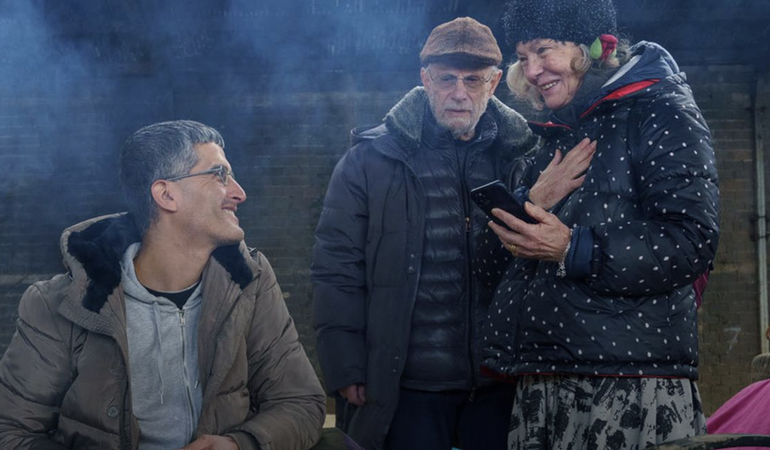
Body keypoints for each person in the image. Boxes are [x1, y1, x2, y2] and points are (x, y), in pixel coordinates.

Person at [311, 16, 596, 450]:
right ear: (425, 79)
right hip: (408, 386)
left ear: (494, 82)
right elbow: (336, 267)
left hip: (503, 381)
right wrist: (345, 364)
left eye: (473, 80)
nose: (459, 93)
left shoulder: (528, 155)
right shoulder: (371, 160)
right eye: (446, 79)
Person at [480, 0, 720, 449]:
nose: (532, 70)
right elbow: (493, 269)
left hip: (630, 382)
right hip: (545, 379)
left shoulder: (660, 110)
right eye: (523, 56)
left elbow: (691, 241)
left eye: (543, 50)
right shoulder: (553, 136)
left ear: (594, 47)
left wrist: (572, 248)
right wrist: (533, 202)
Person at [0, 120, 326, 450]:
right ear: (167, 194)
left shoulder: (249, 282)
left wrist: (239, 444)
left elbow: (301, 402)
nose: (239, 193)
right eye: (220, 175)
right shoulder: (57, 303)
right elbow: (11, 430)